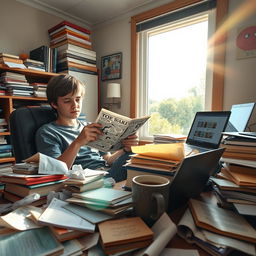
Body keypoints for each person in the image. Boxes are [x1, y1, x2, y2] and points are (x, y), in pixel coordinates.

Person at [35, 74, 138, 182]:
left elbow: (107, 159)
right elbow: (56, 171)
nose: (75, 105)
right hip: (86, 179)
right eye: (67, 101)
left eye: (78, 99)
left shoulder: (90, 126)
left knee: (138, 157)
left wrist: (125, 149)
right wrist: (78, 142)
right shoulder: (47, 132)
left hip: (106, 171)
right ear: (55, 104)